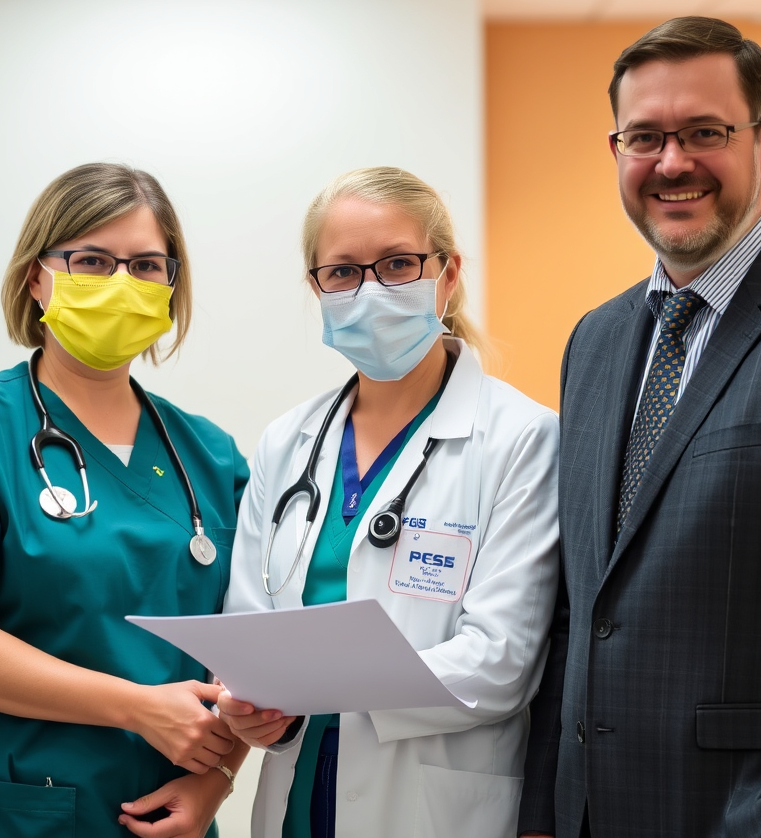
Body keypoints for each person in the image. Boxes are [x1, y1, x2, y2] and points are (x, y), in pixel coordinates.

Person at [518, 17, 761, 838]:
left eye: (705, 132)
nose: (672, 162)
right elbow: (578, 607)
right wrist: (545, 811)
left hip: (749, 817)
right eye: (645, 137)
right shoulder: (596, 338)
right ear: (615, 151)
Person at [0, 163, 250, 838]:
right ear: (36, 278)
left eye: (145, 266)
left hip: (164, 814)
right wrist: (140, 708)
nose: (120, 284)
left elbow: (255, 650)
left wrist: (216, 779)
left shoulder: (211, 457)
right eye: (92, 261)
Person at [216, 166, 560, 838]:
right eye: (342, 272)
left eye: (398, 264)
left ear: (449, 274)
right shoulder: (288, 443)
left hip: (435, 808)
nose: (369, 291)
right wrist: (249, 708)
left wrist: (311, 683)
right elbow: (250, 631)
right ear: (317, 287)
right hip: (301, 794)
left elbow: (499, 662)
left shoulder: (522, 438)